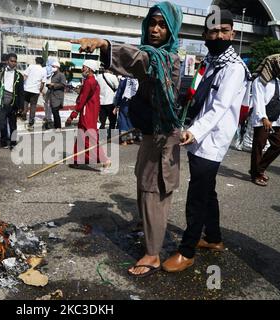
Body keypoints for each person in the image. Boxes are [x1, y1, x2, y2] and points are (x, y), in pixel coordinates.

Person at [72, 1, 183, 277]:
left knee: (154, 192)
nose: (156, 29)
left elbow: (138, 60)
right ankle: (147, 231)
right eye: (152, 23)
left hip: (162, 139)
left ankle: (153, 254)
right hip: (150, 135)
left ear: (172, 30)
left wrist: (104, 45)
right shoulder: (153, 54)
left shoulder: (165, 59)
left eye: (162, 25)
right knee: (144, 185)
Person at [162, 9, 251, 272]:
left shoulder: (233, 68)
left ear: (233, 34)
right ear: (205, 34)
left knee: (197, 195)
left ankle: (186, 251)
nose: (219, 35)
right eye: (214, 31)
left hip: (211, 139)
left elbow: (220, 107)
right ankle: (214, 238)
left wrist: (195, 131)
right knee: (207, 190)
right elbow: (196, 97)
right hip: (198, 136)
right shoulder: (210, 62)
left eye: (224, 31)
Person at [250, 54, 280, 187]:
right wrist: (263, 117)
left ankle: (258, 169)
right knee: (259, 146)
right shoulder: (259, 81)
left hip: (277, 119)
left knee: (279, 145)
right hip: (264, 119)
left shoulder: (277, 81)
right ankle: (256, 174)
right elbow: (258, 100)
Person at [65, 60, 111, 169]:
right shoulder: (93, 81)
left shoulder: (89, 82)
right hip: (91, 112)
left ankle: (105, 160)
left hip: (87, 113)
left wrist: (72, 115)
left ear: (89, 69)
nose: (82, 69)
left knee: (90, 137)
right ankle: (77, 159)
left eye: (83, 67)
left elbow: (82, 100)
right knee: (82, 136)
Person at [0, 53, 24, 149]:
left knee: (13, 124)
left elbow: (21, 92)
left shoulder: (19, 76)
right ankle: (3, 142)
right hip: (2, 101)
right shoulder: (1, 73)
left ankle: (13, 143)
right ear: (7, 61)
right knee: (2, 123)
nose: (13, 63)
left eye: (15, 61)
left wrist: (21, 107)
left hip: (13, 102)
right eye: (11, 61)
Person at [23, 57, 47, 128]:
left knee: (25, 102)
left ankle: (24, 113)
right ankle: (31, 121)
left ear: (35, 61)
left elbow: (25, 76)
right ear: (42, 63)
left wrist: (24, 84)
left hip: (27, 88)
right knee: (33, 105)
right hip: (35, 90)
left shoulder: (30, 66)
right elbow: (43, 83)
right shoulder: (43, 70)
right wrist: (40, 90)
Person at [96, 68, 119, 140]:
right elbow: (117, 87)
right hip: (111, 102)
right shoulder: (113, 77)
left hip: (101, 102)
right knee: (112, 120)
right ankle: (111, 137)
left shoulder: (98, 77)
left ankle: (102, 137)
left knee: (102, 120)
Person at [114, 77, 138, 145]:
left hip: (124, 102)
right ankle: (131, 138)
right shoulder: (136, 80)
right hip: (134, 102)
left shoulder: (124, 80)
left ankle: (124, 140)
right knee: (130, 120)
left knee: (123, 120)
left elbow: (119, 92)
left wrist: (117, 104)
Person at [46, 60, 67, 130]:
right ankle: (56, 126)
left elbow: (63, 84)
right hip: (52, 96)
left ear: (57, 67)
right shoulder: (52, 75)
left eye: (53, 66)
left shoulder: (61, 75)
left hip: (58, 97)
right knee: (54, 112)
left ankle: (58, 126)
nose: (52, 68)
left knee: (55, 111)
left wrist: (54, 85)